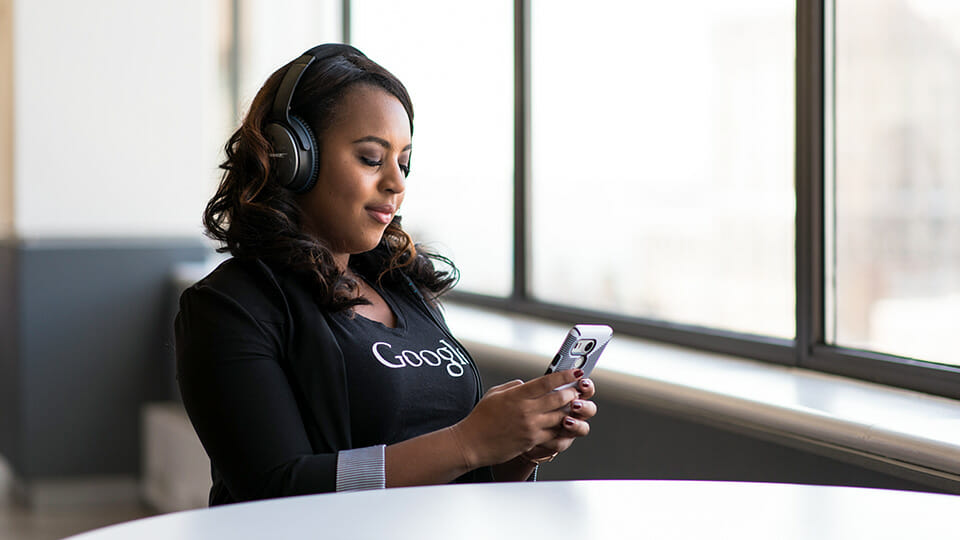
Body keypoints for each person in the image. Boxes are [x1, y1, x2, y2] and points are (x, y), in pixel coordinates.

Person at [175, 43, 597, 506]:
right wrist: (469, 441)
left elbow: (455, 477)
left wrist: (516, 451)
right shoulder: (228, 307)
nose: (396, 182)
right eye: (372, 159)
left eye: (404, 161)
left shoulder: (402, 288)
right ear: (291, 159)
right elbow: (278, 489)